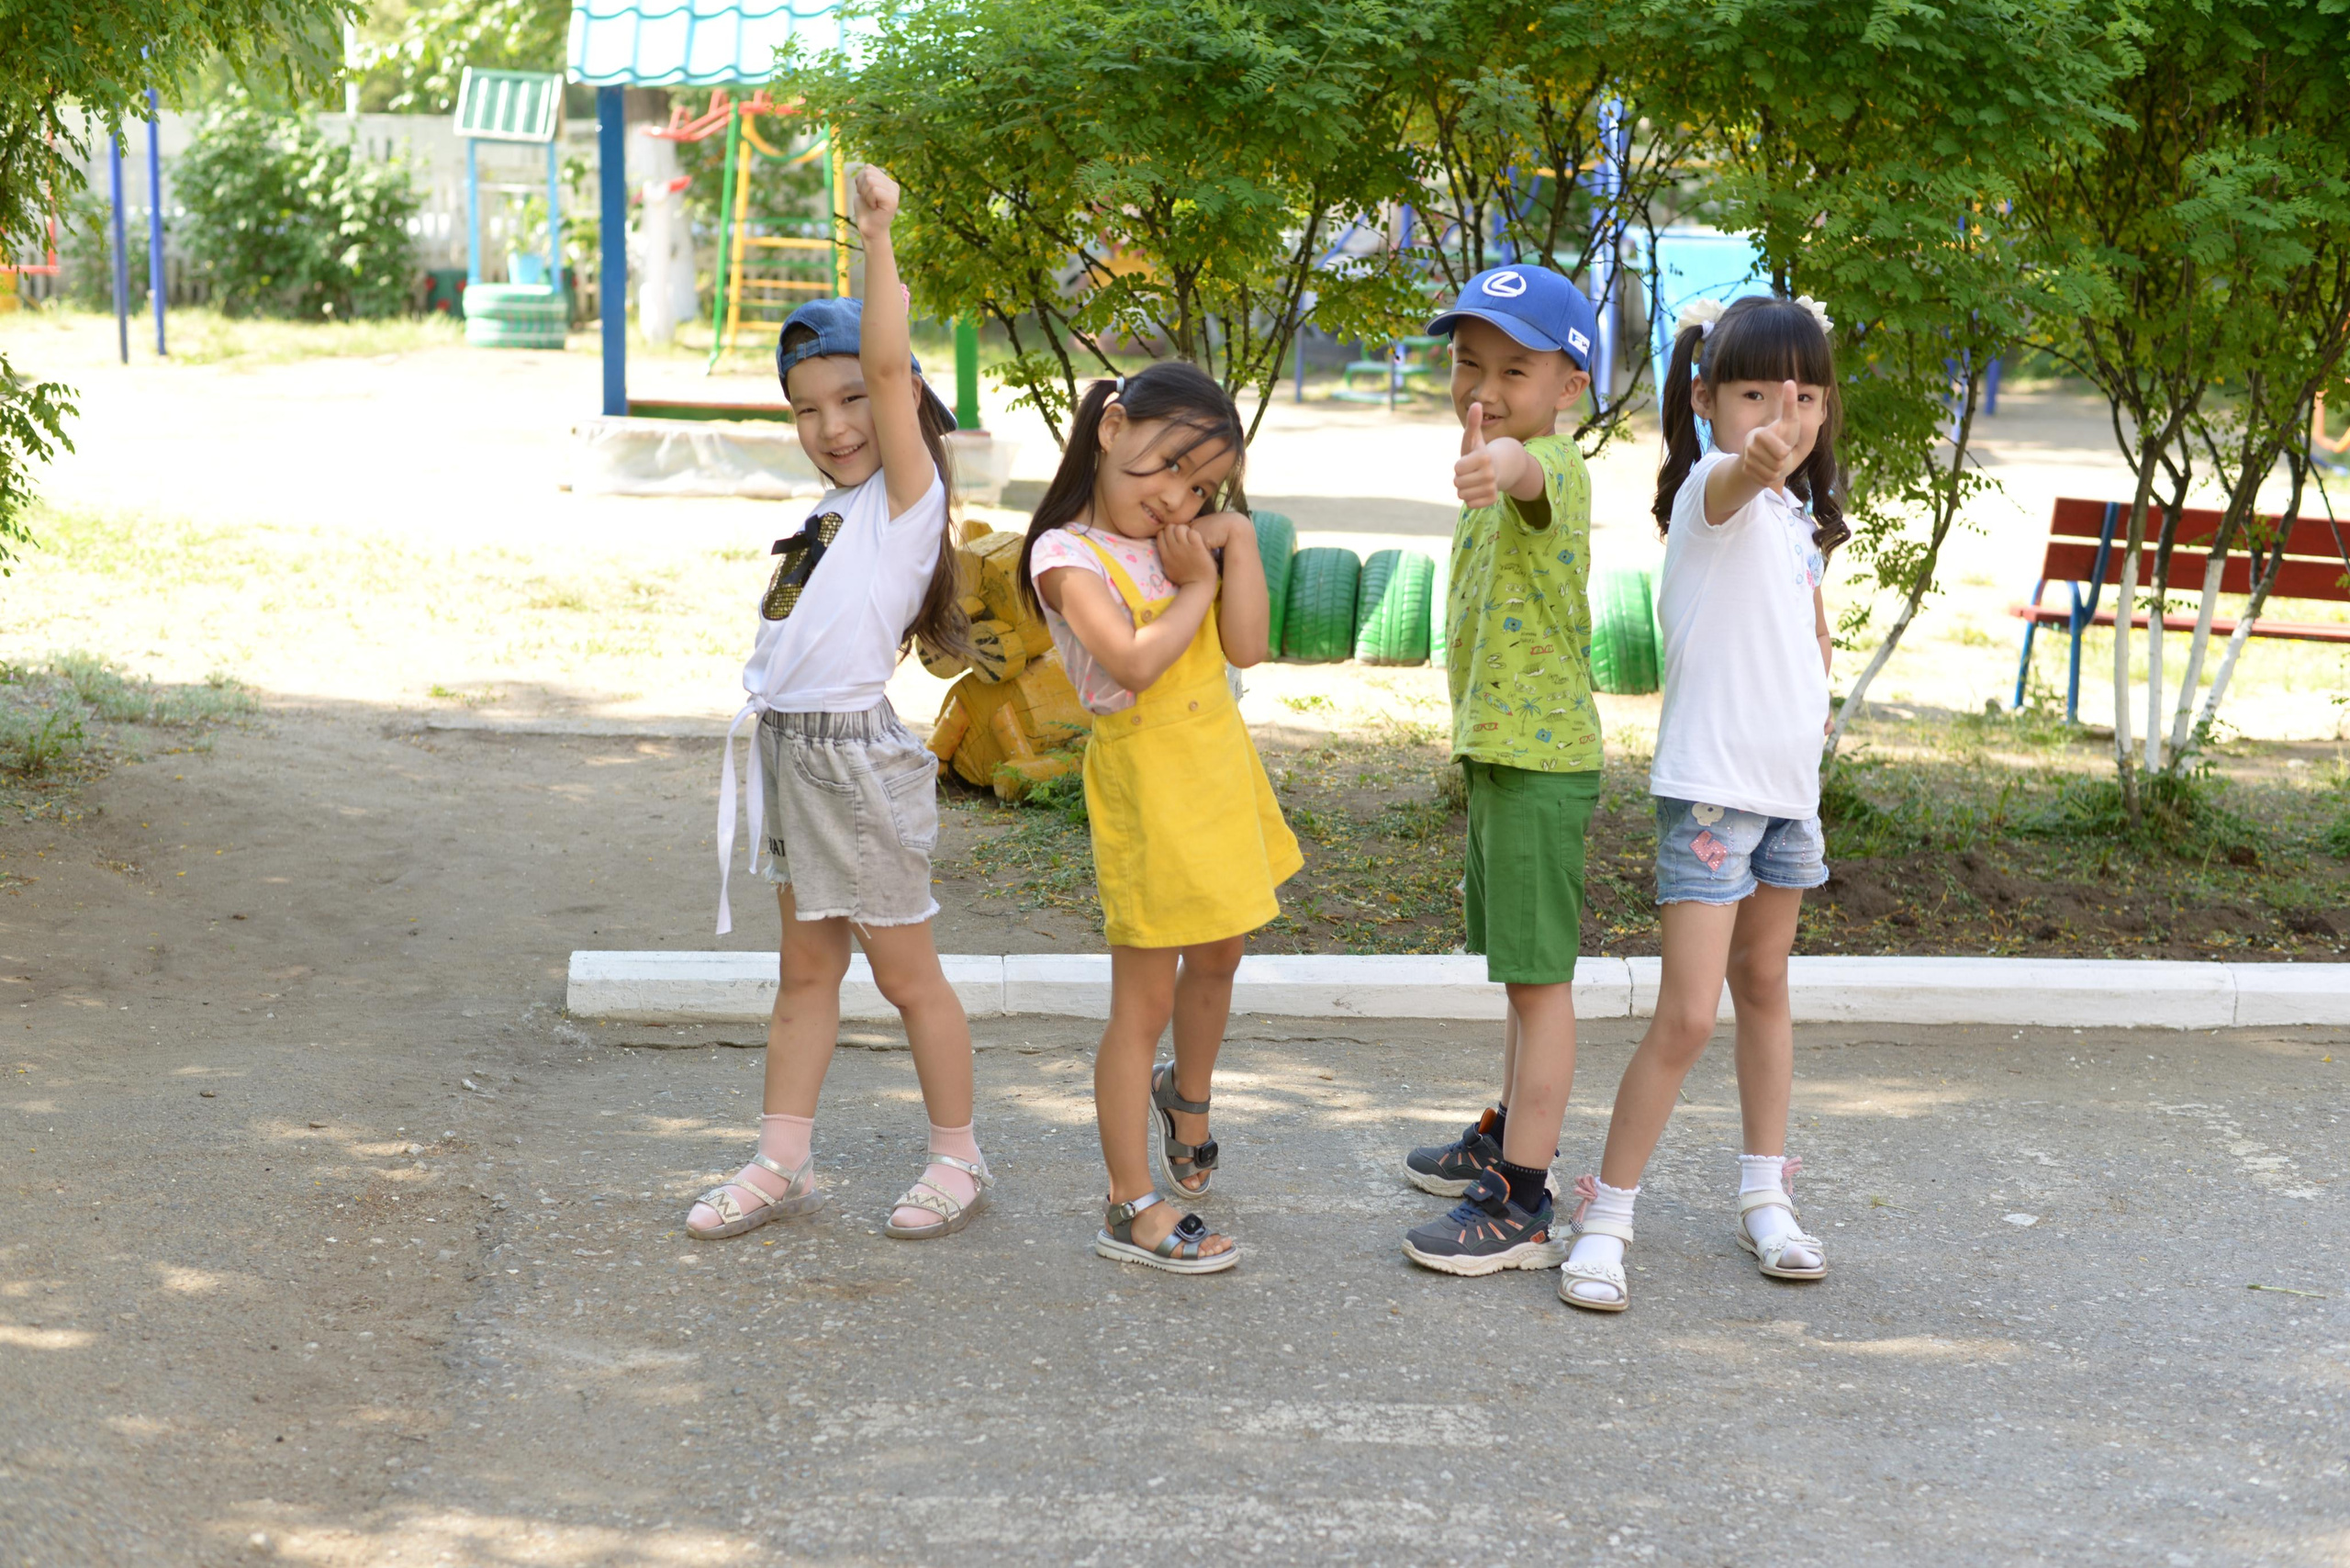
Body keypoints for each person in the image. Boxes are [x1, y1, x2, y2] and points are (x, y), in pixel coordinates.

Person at [689, 166, 990, 1244]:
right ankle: (784, 1159)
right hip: (791, 756)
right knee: (804, 971)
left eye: (854, 396)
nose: (834, 423)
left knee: (908, 976)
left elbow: (886, 365)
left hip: (854, 762)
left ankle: (958, 1157)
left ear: (895, 390)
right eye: (807, 409)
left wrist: (877, 235)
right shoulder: (828, 512)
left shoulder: (907, 500)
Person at [1559, 293, 1847, 1312]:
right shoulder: (1711, 497)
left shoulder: (1795, 514)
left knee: (1764, 985)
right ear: (1705, 397)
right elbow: (1740, 472)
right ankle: (1604, 1219)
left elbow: (1804, 633)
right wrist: (1759, 454)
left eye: (1806, 393)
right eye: (1758, 391)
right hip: (1712, 798)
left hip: (1784, 797)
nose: (1787, 412)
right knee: (1686, 1014)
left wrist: (1817, 697)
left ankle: (1764, 1198)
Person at [1019, 363, 1300, 1275]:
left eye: (1201, 482)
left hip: (1217, 766)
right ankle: (1130, 1204)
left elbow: (1249, 647)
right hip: (1146, 784)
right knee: (1141, 1001)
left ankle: (1188, 1095)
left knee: (1222, 950)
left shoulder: (1194, 535)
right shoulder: (1065, 556)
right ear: (1110, 428)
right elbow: (1134, 662)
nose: (1178, 496)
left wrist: (1238, 543)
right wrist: (1194, 585)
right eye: (1168, 465)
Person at [1398, 264, 1604, 1277]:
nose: (1481, 387)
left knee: (1540, 987)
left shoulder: (1550, 467)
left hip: (1537, 758)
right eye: (1466, 362)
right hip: (1502, 753)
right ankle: (1505, 1133)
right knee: (1521, 982)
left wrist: (1507, 458)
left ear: (1570, 385)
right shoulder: (1496, 457)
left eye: (1513, 370)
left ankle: (1522, 1199)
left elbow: (1528, 478)